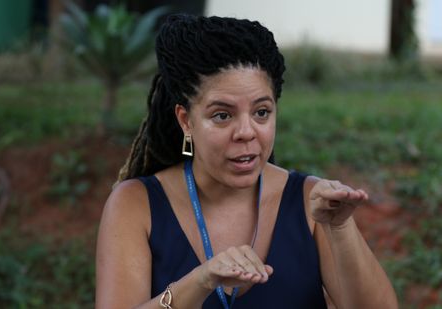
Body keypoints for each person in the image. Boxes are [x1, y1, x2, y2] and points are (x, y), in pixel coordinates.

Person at [96, 14, 398, 309]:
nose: (246, 132)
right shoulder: (137, 204)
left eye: (261, 112)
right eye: (222, 115)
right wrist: (199, 283)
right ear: (186, 121)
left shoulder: (311, 204)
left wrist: (340, 228)